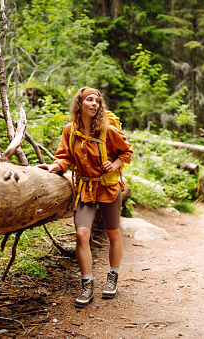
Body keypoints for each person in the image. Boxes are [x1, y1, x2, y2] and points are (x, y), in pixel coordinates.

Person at [37, 87, 133, 307]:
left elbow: (126, 152)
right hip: (85, 190)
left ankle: (112, 278)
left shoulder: (108, 130)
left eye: (97, 101)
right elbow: (64, 157)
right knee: (81, 234)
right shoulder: (70, 131)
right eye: (89, 100)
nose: (94, 104)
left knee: (112, 233)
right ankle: (87, 284)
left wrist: (114, 165)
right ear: (79, 104)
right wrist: (54, 167)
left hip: (108, 188)